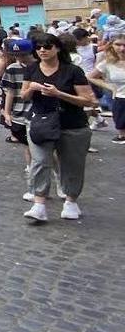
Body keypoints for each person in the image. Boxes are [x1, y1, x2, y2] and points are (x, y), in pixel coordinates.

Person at [22, 33, 98, 222]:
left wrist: (59, 94)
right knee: (39, 161)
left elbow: (87, 100)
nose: (42, 50)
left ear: (57, 48)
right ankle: (39, 204)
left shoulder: (73, 71)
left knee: (72, 165)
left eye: (47, 46)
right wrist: (31, 88)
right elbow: (24, 96)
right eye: (38, 47)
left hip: (72, 124)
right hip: (41, 122)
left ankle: (71, 201)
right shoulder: (31, 69)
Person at [0, 38, 38, 200]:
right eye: (17, 55)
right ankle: (33, 181)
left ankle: (55, 178)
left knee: (47, 150)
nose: (20, 58)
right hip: (19, 113)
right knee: (28, 147)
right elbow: (9, 91)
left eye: (23, 55)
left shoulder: (39, 67)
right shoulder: (12, 68)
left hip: (38, 113)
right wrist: (6, 112)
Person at [89, 34, 125, 144]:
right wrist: (109, 86)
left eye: (124, 45)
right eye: (118, 44)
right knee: (121, 124)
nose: (122, 48)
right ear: (111, 45)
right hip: (120, 98)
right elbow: (90, 77)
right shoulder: (107, 63)